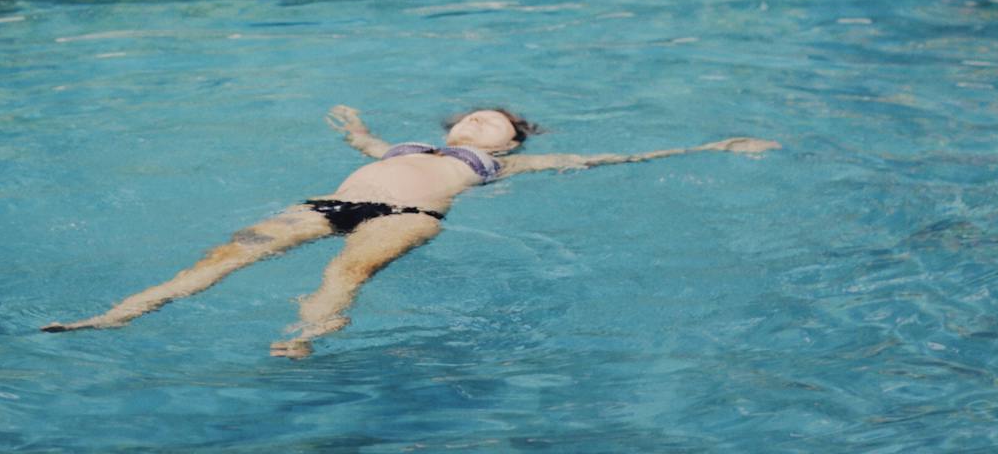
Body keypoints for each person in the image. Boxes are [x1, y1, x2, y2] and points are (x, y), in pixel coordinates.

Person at [41, 105, 779, 358]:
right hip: (331, 202)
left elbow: (606, 159)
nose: (473, 123)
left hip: (409, 220)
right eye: (468, 117)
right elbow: (364, 150)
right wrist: (360, 131)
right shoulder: (406, 148)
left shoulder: (495, 168)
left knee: (345, 275)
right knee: (226, 254)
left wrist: (712, 148)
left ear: (507, 145)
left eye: (490, 124)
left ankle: (304, 336)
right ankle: (116, 315)